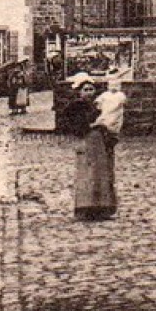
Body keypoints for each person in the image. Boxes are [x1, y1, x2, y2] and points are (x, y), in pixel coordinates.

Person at [61, 74, 117, 220]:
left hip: (99, 143)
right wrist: (92, 124)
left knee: (101, 174)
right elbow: (75, 125)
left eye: (91, 89)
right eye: (85, 90)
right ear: (79, 92)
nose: (89, 92)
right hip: (86, 142)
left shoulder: (98, 105)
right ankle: (86, 207)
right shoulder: (76, 106)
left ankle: (102, 206)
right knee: (88, 174)